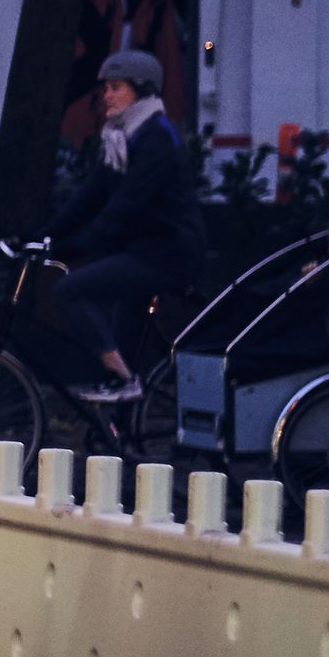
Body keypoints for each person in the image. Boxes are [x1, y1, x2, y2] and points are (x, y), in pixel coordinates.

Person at [50, 47, 203, 402]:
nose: (107, 95)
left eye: (116, 87)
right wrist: (46, 234)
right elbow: (91, 194)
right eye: (105, 88)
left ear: (142, 89)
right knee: (121, 343)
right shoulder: (120, 136)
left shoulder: (156, 137)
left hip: (169, 254)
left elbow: (127, 203)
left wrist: (79, 245)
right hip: (143, 251)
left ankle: (123, 379)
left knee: (70, 290)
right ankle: (123, 427)